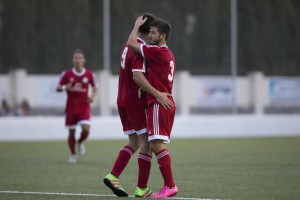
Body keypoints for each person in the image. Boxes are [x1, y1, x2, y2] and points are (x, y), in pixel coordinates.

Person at [103, 13, 168, 198]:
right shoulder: (141, 48)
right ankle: (141, 188)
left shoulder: (128, 44)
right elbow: (137, 76)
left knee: (135, 142)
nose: (153, 36)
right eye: (153, 31)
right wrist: (157, 94)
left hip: (121, 99)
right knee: (147, 142)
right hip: (133, 101)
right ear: (149, 32)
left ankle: (113, 176)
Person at [127, 17, 178, 198]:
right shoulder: (167, 54)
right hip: (163, 102)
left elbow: (131, 43)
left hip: (159, 103)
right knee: (152, 144)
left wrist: (136, 26)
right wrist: (145, 88)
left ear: (162, 36)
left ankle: (170, 185)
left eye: (153, 32)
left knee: (156, 144)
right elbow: (156, 75)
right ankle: (148, 187)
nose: (150, 35)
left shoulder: (157, 51)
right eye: (149, 32)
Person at [56, 49, 97, 164]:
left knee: (86, 129)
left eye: (80, 58)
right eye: (76, 58)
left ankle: (80, 142)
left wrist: (92, 96)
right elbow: (57, 87)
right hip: (71, 108)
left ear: (84, 60)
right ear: (73, 60)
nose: (78, 60)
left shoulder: (89, 74)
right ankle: (73, 154)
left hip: (84, 107)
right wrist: (65, 87)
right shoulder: (66, 74)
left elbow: (95, 86)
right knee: (71, 133)